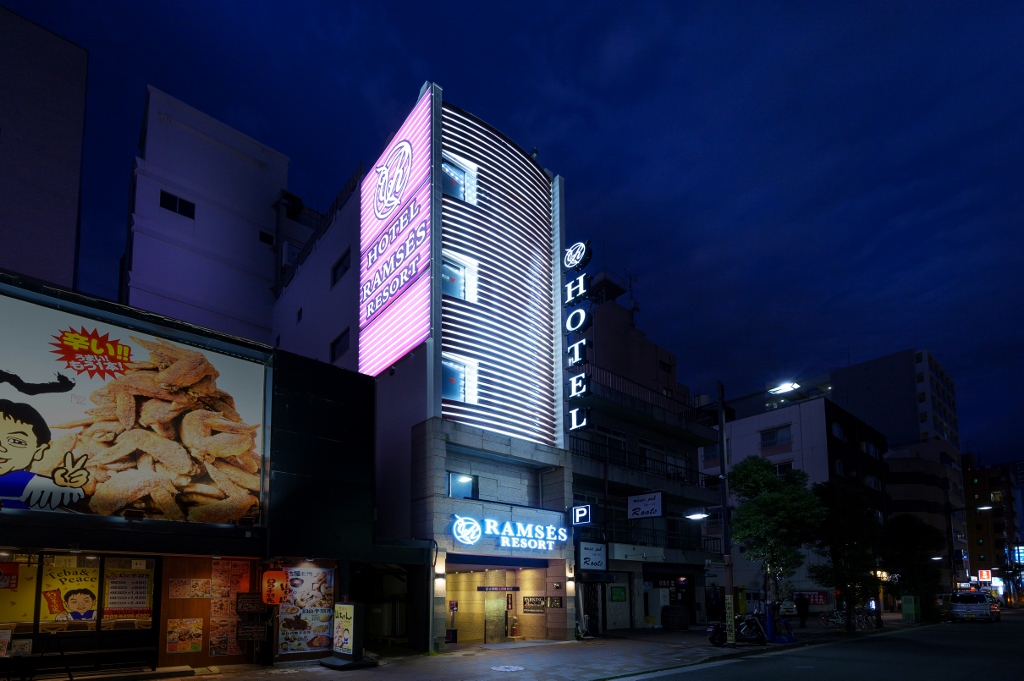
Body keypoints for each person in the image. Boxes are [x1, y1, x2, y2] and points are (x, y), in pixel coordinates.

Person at [0, 399, 89, 510]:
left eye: (16, 441)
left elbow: (65, 494)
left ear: (39, 451)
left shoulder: (25, 481)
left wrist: (65, 485)